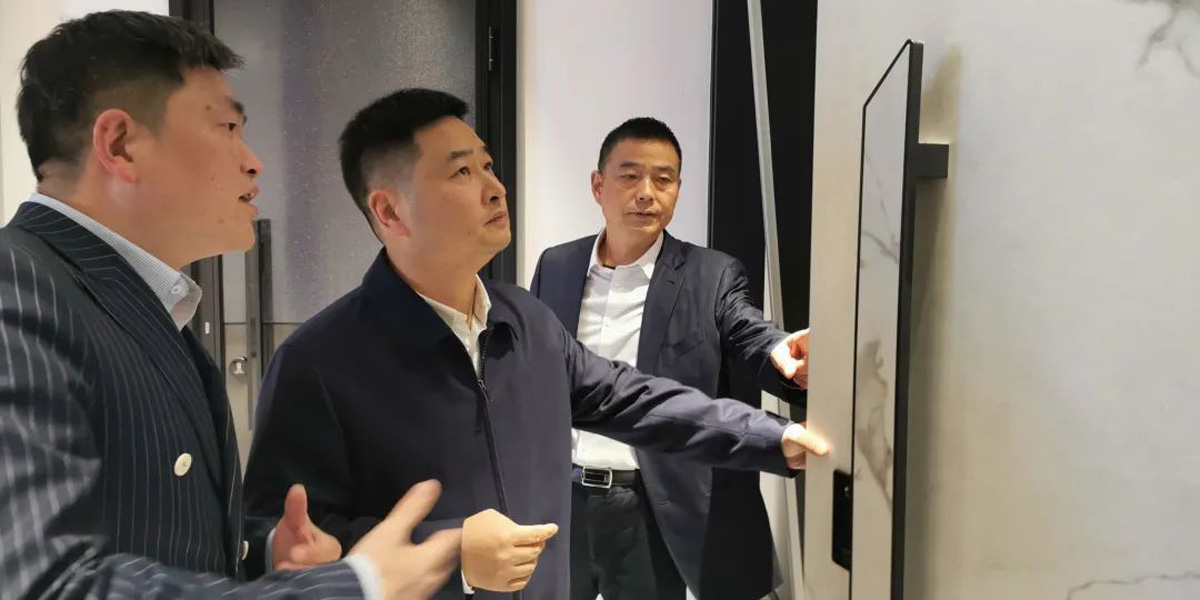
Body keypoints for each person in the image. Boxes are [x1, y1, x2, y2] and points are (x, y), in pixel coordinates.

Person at [242, 88, 831, 600]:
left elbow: (635, 399)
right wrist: (452, 554)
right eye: (462, 173)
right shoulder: (319, 362)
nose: (495, 188)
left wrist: (773, 437)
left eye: (488, 165)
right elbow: (286, 539)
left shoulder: (526, 321)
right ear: (390, 210)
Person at [0, 11, 460, 600]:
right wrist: (352, 588)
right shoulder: (18, 285)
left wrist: (258, 548)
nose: (253, 161)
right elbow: (45, 584)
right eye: (227, 127)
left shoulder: (136, 300)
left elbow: (148, 528)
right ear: (120, 144)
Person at [530, 117, 808, 600]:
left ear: (678, 189)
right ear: (598, 186)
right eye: (630, 176)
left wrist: (779, 349)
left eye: (663, 179)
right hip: (564, 502)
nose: (646, 193)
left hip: (653, 504)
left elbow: (747, 330)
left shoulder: (711, 274)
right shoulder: (556, 265)